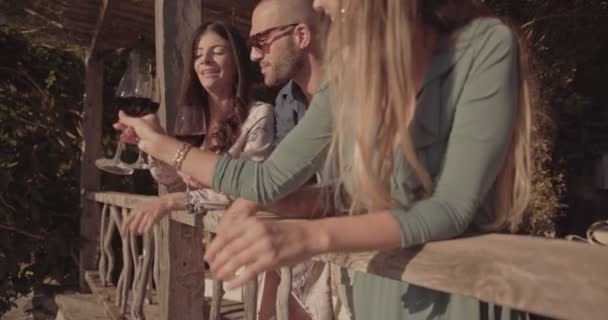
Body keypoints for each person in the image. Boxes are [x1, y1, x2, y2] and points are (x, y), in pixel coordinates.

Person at [117, 0, 535, 318]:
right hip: (382, 290)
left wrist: (307, 236)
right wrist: (158, 144)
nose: (318, 6)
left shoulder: (484, 46)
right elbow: (268, 181)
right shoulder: (355, 72)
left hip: (461, 292)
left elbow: (450, 207)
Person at [122, 21, 274, 232]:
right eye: (198, 54)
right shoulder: (193, 117)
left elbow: (248, 188)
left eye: (217, 52)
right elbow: (170, 178)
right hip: (205, 241)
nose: (205, 60)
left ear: (237, 61)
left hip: (244, 242)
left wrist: (172, 201)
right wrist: (154, 140)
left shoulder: (260, 115)